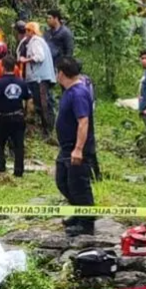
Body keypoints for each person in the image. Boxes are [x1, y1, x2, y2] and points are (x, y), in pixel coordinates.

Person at [54, 57, 96, 236]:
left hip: (77, 147)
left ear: (62, 73)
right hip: (66, 146)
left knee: (78, 185)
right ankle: (79, 212)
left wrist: (78, 148)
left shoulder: (78, 93)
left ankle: (86, 223)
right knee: (63, 181)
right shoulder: (68, 90)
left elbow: (83, 121)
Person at [0, 55, 31, 178]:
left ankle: (1, 167)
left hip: (3, 117)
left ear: (3, 67)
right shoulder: (22, 82)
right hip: (18, 116)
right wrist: (27, 113)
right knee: (19, 145)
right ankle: (19, 170)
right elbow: (30, 100)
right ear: (14, 67)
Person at [18, 22, 56, 137]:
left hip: (39, 77)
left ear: (31, 31)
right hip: (41, 76)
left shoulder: (35, 42)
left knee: (42, 103)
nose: (25, 33)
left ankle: (47, 130)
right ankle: (46, 128)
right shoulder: (40, 41)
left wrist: (25, 60)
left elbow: (39, 57)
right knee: (41, 102)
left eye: (27, 31)